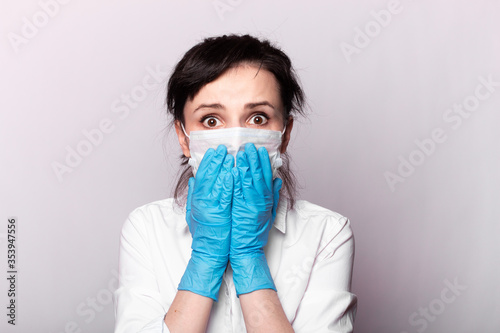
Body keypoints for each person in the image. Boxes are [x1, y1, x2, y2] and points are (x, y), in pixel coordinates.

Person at [114, 34, 357, 333]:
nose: (236, 138)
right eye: (211, 121)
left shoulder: (327, 233)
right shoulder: (145, 228)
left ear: (285, 133)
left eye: (257, 118)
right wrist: (206, 257)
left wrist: (248, 259)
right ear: (183, 137)